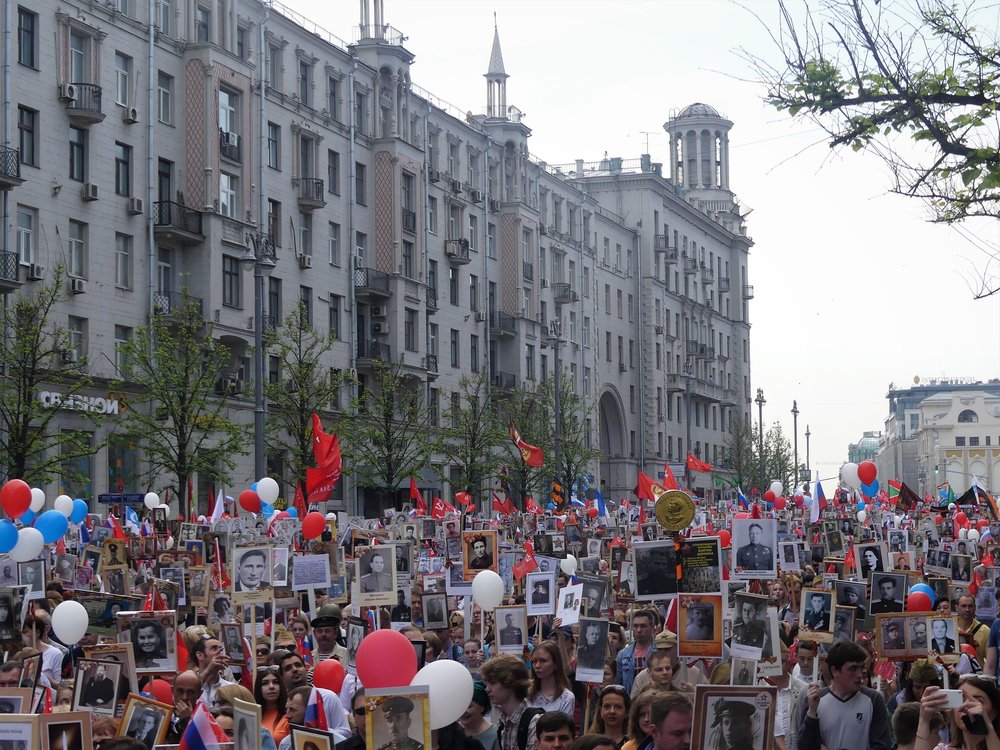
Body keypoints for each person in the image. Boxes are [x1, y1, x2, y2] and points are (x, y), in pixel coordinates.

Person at [798, 641, 892, 750]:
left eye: (861, 668)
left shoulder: (874, 700)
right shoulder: (815, 700)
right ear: (835, 671)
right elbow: (804, 746)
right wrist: (812, 713)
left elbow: (882, 745)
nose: (859, 674)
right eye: (852, 669)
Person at [480, 654, 543, 750]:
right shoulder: (503, 720)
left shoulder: (534, 722)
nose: (487, 689)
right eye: (487, 683)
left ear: (510, 683)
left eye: (492, 683)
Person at [527, 641, 575, 716]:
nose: (537, 665)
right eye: (534, 661)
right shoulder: (527, 692)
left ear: (556, 664)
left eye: (543, 661)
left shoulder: (566, 698)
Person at [616, 610, 657, 693]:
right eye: (635, 626)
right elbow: (619, 685)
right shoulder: (622, 655)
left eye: (643, 626)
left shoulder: (659, 652)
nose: (638, 630)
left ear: (652, 628)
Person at [458, 682, 499, 750]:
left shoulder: (495, 736)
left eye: (469, 707)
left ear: (482, 707)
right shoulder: (452, 733)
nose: (463, 711)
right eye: (460, 706)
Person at [956, 594, 989, 662]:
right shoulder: (948, 628)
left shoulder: (984, 630)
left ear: (975, 608)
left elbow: (990, 659)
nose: (967, 609)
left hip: (978, 672)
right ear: (956, 608)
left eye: (970, 606)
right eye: (963, 606)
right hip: (952, 671)